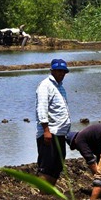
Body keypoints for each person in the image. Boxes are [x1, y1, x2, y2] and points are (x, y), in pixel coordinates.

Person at [35, 58, 71, 187]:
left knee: (57, 166)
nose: (62, 74)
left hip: (60, 133)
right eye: (59, 71)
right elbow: (42, 108)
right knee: (47, 166)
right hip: (50, 133)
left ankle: (49, 192)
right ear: (52, 71)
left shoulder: (59, 87)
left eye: (63, 72)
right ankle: (42, 194)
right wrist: (46, 130)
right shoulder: (46, 86)